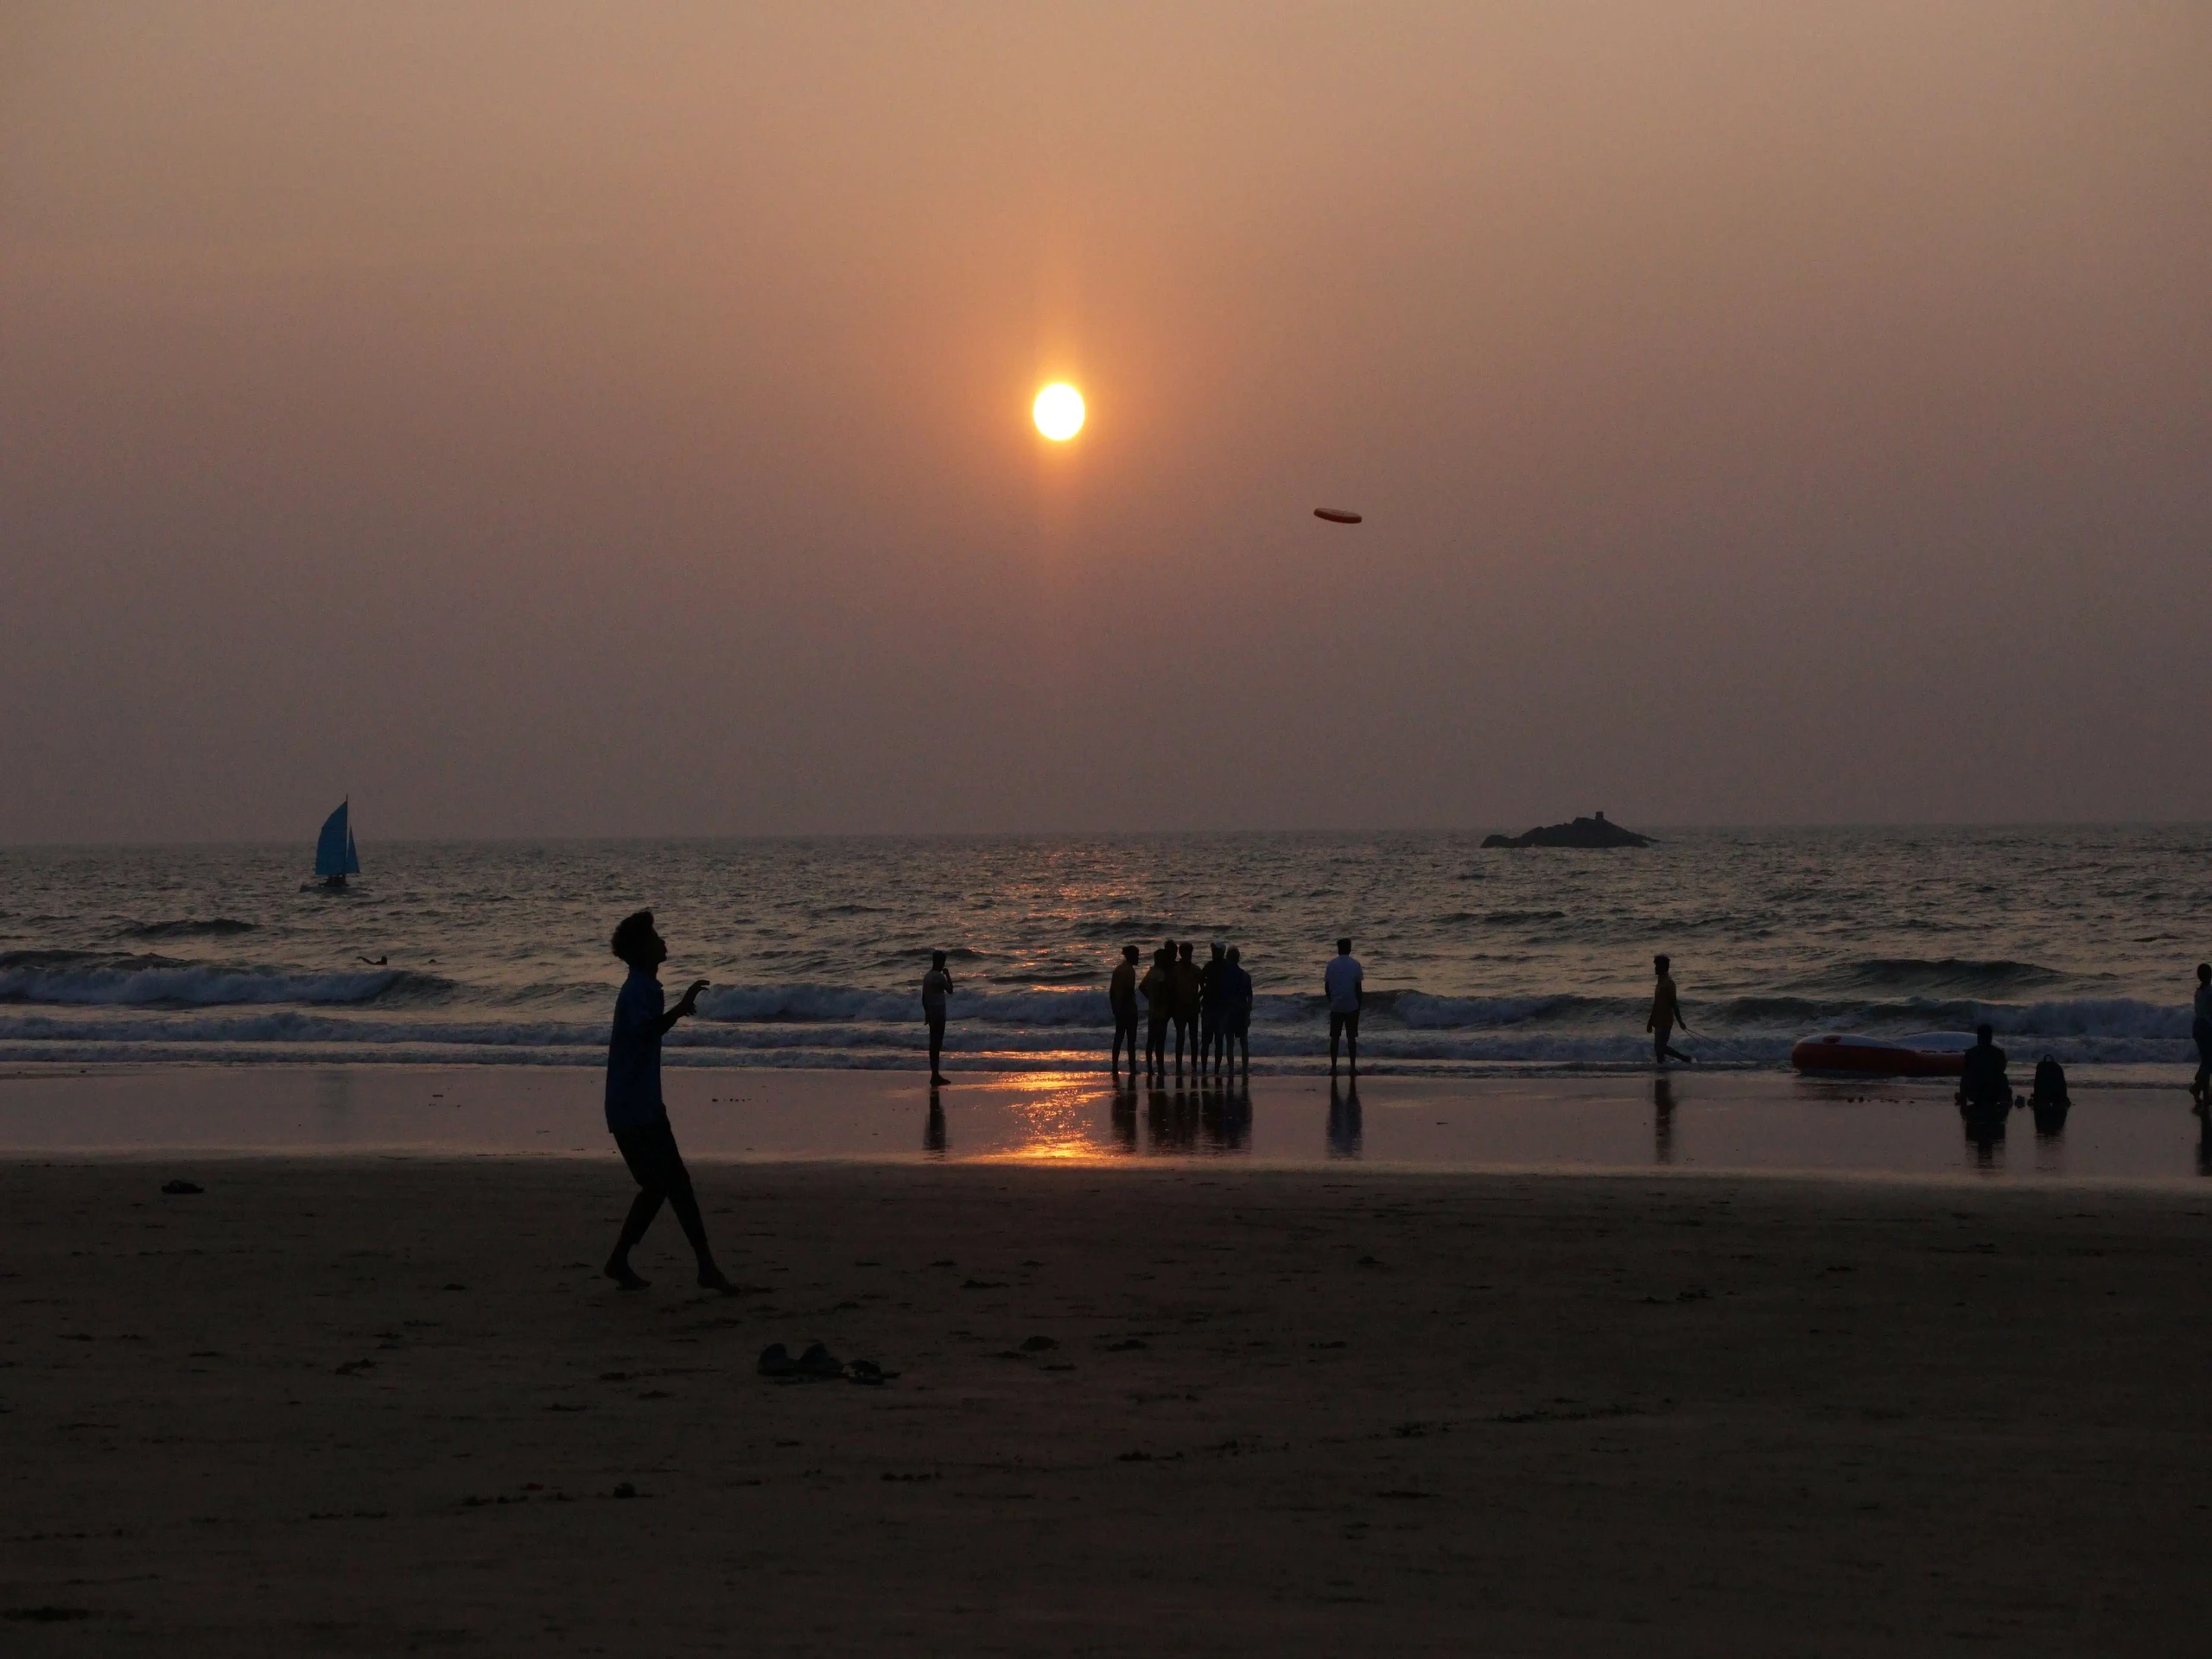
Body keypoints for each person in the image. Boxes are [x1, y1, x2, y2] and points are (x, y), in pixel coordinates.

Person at [601, 909, 734, 1294]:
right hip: (632, 1108)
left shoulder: (643, 987)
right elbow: (646, 1030)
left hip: (643, 1105)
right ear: (642, 951)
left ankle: (702, 1265)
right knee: (662, 1185)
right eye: (655, 937)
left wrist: (677, 1007)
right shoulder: (638, 990)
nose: (663, 942)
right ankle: (622, 1260)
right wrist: (681, 1006)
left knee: (673, 1184)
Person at [1325, 938, 1363, 1080]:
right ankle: (1352, 1068)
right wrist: (1359, 1005)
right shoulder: (1355, 964)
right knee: (1351, 1037)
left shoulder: (1331, 965)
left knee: (1334, 1038)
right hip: (1351, 1005)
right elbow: (1358, 988)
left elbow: (1327, 987)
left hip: (1336, 1005)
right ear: (1350, 948)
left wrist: (1331, 1001)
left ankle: (1333, 1067)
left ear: (1338, 948)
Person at [1647, 954, 1694, 1065]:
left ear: (1663, 967)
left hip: (1666, 1021)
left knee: (1660, 1048)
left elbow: (1674, 1004)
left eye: (1657, 966)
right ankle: (1662, 1071)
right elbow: (1656, 1004)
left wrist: (1680, 1021)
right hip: (1658, 1021)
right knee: (1658, 1050)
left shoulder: (1669, 984)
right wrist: (1650, 1022)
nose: (1655, 968)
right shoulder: (1659, 983)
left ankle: (1684, 1059)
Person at [1957, 1022, 2012, 1115]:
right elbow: (2001, 1070)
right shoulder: (1998, 1053)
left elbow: (1966, 1073)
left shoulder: (1970, 1053)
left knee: (1966, 1077)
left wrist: (1963, 1096)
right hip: (1994, 1094)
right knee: (2002, 1077)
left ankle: (1963, 1098)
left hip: (1975, 1094)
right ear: (1990, 1037)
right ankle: (2006, 1101)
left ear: (1978, 1037)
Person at [1141, 944, 1174, 1083]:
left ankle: (1149, 1067)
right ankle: (1160, 1068)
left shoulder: (1151, 972)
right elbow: (1162, 991)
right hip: (1161, 1011)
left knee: (1151, 1040)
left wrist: (1150, 997)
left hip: (1152, 1009)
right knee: (1160, 1041)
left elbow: (1142, 987)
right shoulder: (1161, 974)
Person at [1171, 942, 1204, 1082]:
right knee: (1180, 1037)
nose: (1188, 956)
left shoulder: (1196, 969)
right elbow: (1170, 988)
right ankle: (1178, 1066)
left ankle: (1194, 1066)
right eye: (1185, 953)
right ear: (1181, 954)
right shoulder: (1175, 969)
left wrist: (1198, 997)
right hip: (1179, 1008)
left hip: (1193, 1008)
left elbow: (1204, 986)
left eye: (1189, 953)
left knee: (1193, 1038)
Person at [921, 950, 955, 1086]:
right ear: (939, 962)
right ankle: (935, 1075)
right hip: (940, 1014)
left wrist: (927, 1013)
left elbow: (924, 998)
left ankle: (934, 1074)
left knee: (932, 1044)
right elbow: (950, 990)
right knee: (937, 1043)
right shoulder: (940, 977)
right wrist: (947, 975)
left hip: (932, 1014)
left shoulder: (927, 977)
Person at [1219, 945, 1253, 1081]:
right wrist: (1248, 1013)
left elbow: (1222, 997)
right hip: (1241, 1012)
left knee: (1230, 1042)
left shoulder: (1224, 975)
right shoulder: (1245, 976)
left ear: (1228, 958)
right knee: (1244, 1042)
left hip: (1229, 1013)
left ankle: (1231, 1070)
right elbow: (1250, 997)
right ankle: (1244, 1070)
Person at [1109, 944, 1142, 1080]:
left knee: (1118, 1038)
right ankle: (1132, 1068)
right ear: (1131, 956)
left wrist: (1115, 1008)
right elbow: (1128, 992)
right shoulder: (1129, 971)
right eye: (1137, 955)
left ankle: (1115, 1067)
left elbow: (1111, 992)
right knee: (1131, 1041)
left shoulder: (1118, 969)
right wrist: (1127, 1008)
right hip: (1129, 1010)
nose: (1138, 957)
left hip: (1119, 1009)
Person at [1198, 943, 1228, 1076]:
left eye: (1215, 950)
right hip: (1209, 1008)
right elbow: (1200, 977)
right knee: (1206, 1041)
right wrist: (1203, 987)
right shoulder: (1209, 966)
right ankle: (1204, 1070)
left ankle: (1216, 1070)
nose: (1213, 953)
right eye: (1213, 950)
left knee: (1219, 1040)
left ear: (1222, 953)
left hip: (1220, 1009)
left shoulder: (1226, 967)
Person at [2193, 963, 2212, 1109]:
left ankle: (2204, 1094)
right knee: (2209, 1062)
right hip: (2206, 1028)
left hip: (2197, 1027)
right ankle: (2197, 1086)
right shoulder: (2209, 992)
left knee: (2206, 1060)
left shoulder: (2198, 992)